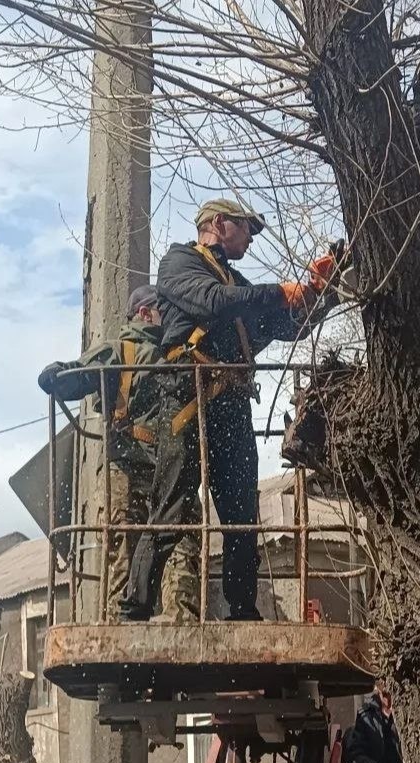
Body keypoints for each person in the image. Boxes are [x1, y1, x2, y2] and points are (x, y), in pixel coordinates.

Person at [120, 198, 339, 621]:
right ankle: (136, 607)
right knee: (171, 507)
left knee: (240, 512)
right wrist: (279, 292)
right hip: (187, 398)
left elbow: (284, 326)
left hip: (231, 405)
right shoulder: (179, 264)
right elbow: (215, 301)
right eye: (246, 229)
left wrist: (317, 293)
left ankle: (242, 607)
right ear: (219, 223)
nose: (251, 240)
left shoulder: (234, 282)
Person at [38, 285, 200, 621]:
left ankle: (184, 624)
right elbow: (77, 374)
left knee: (183, 547)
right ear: (144, 314)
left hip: (174, 472)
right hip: (129, 467)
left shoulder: (183, 353)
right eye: (163, 310)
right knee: (123, 549)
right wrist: (57, 375)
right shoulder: (120, 352)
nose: (171, 317)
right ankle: (122, 626)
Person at [345, 683, 405, 763]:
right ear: (378, 691)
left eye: (391, 694)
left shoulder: (406, 715)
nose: (389, 701)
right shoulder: (366, 716)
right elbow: (356, 753)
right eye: (385, 695)